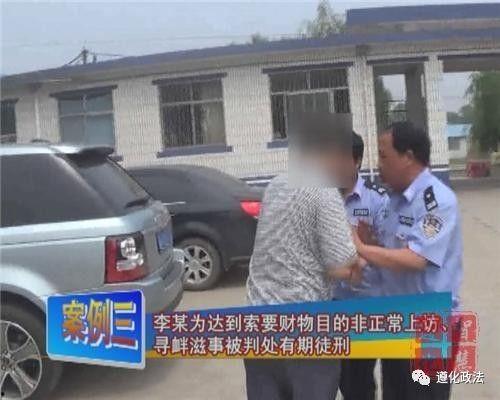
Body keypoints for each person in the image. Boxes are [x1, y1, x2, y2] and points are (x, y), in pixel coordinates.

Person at [244, 113, 363, 400]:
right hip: (304, 328)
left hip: (257, 324)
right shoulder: (323, 190)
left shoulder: (275, 186)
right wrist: (358, 260)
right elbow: (342, 263)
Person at [353, 121, 463, 400]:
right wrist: (370, 245)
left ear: (408, 157)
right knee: (395, 392)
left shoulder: (437, 201)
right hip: (397, 319)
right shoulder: (391, 200)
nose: (378, 164)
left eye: (383, 156)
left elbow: (415, 258)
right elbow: (390, 253)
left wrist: (361, 248)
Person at [335, 131, 389, 400]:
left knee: (360, 380)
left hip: (367, 303)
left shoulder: (377, 200)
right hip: (332, 303)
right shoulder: (322, 199)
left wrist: (363, 256)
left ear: (356, 161)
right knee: (341, 377)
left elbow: (390, 252)